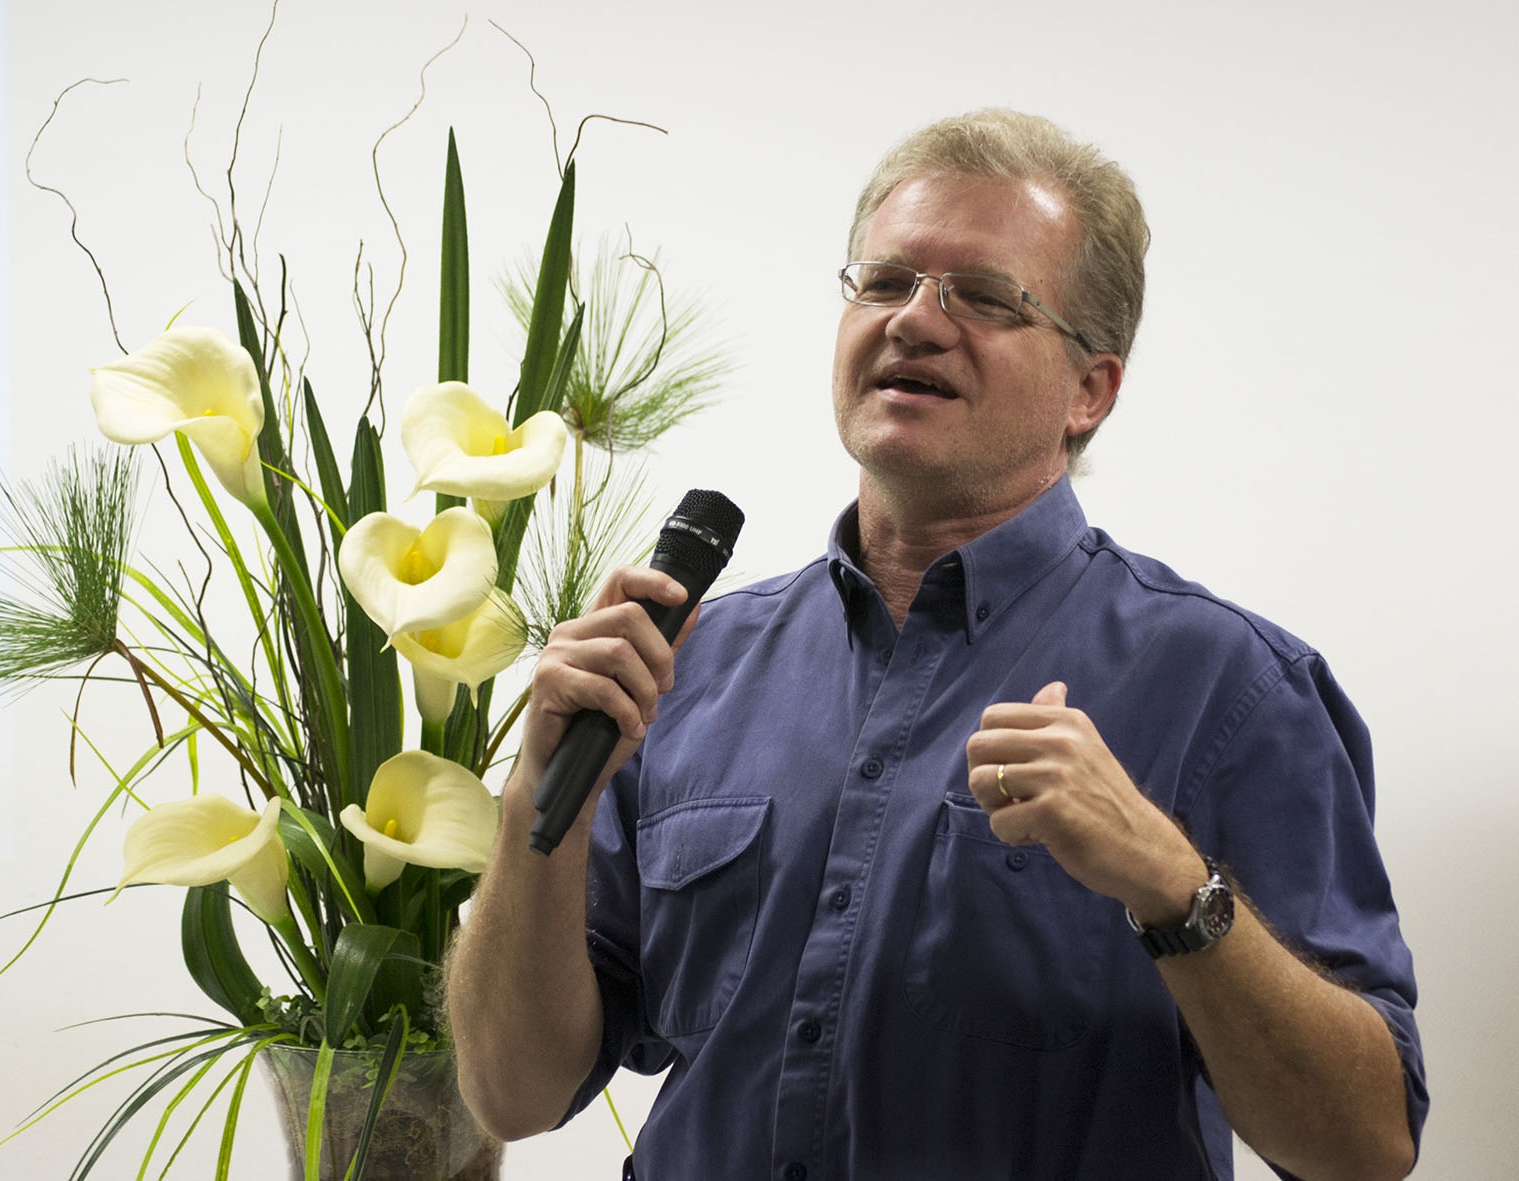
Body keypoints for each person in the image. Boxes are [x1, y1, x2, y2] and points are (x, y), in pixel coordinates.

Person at [445, 109, 1426, 1180]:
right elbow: (513, 1091)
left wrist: (1169, 881)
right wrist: (536, 801)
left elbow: (1362, 1145)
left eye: (986, 296)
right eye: (884, 282)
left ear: (1087, 391)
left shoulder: (1232, 687)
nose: (914, 320)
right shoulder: (681, 667)